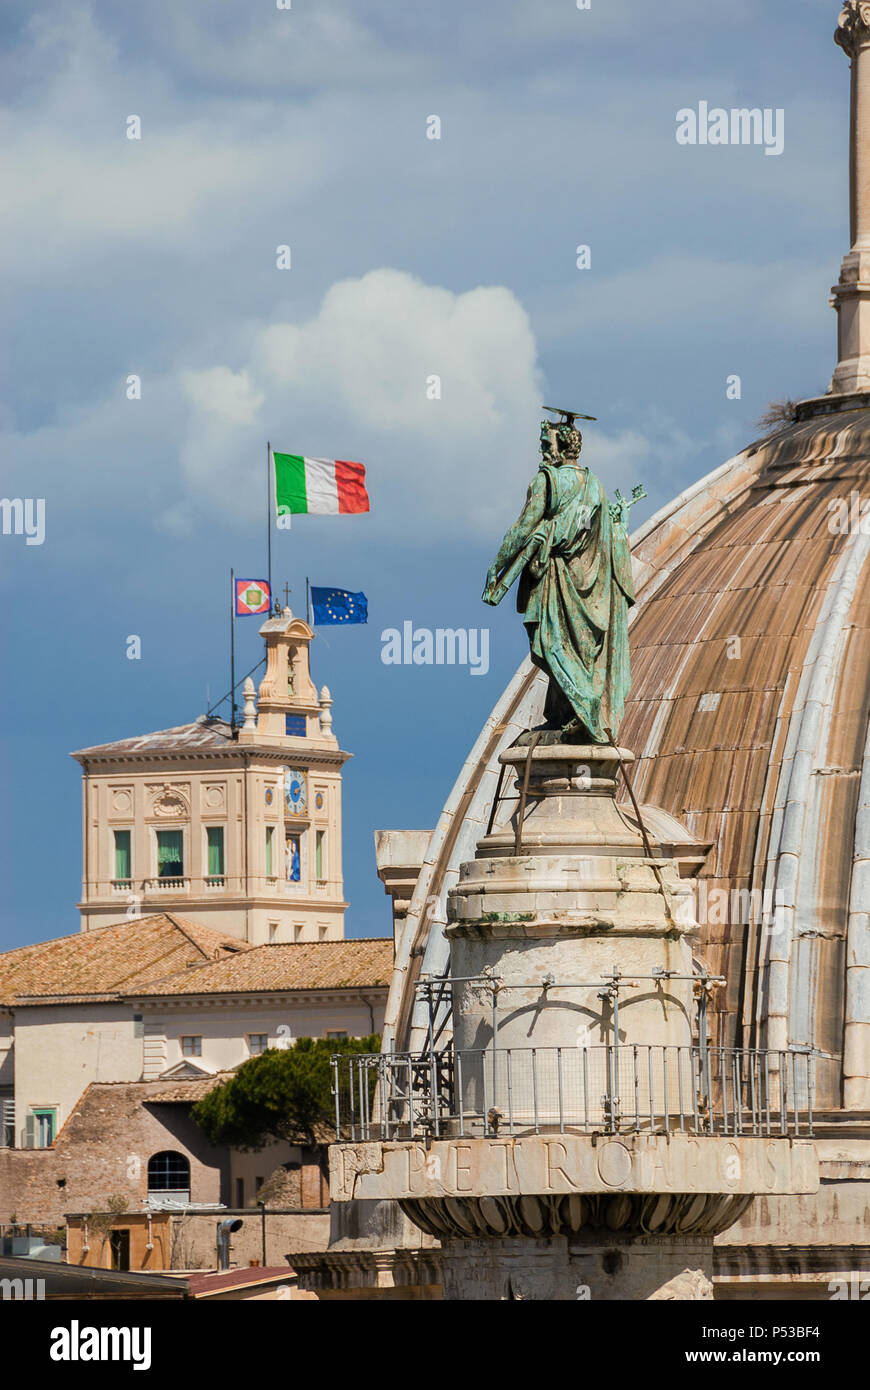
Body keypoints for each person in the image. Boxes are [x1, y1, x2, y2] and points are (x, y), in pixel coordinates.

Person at [482, 419, 635, 743]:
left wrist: (498, 566)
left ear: (560, 445)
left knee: (554, 645)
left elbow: (523, 527)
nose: (541, 450)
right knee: (577, 651)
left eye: (545, 443)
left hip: (556, 578)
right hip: (591, 584)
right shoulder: (595, 486)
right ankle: (564, 714)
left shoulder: (547, 481)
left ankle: (587, 710)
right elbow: (606, 538)